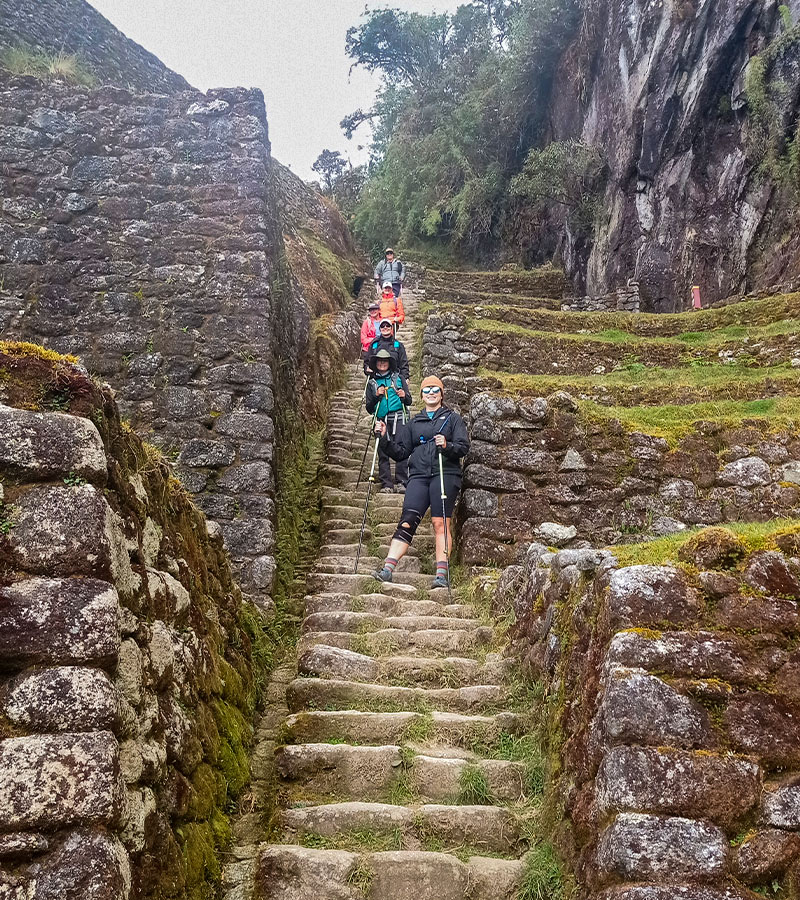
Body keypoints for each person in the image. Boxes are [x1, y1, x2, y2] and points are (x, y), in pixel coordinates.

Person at [372, 375, 470, 587]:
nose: (431, 393)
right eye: (426, 390)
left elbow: (463, 447)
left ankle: (441, 575)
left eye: (435, 389)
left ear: (442, 394)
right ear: (421, 395)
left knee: (440, 522)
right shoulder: (414, 422)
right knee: (407, 519)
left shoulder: (452, 419)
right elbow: (400, 452)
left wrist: (447, 446)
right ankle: (388, 569)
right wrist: (384, 437)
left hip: (445, 474)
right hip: (418, 476)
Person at [365, 349, 412, 493]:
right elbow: (369, 407)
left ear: (389, 363)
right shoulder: (372, 383)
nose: (382, 363)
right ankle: (386, 484)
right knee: (382, 450)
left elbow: (409, 401)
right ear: (376, 363)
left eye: (384, 361)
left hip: (399, 416)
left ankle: (401, 481)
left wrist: (404, 395)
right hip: (381, 418)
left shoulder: (398, 378)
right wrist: (376, 396)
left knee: (401, 448)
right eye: (379, 361)